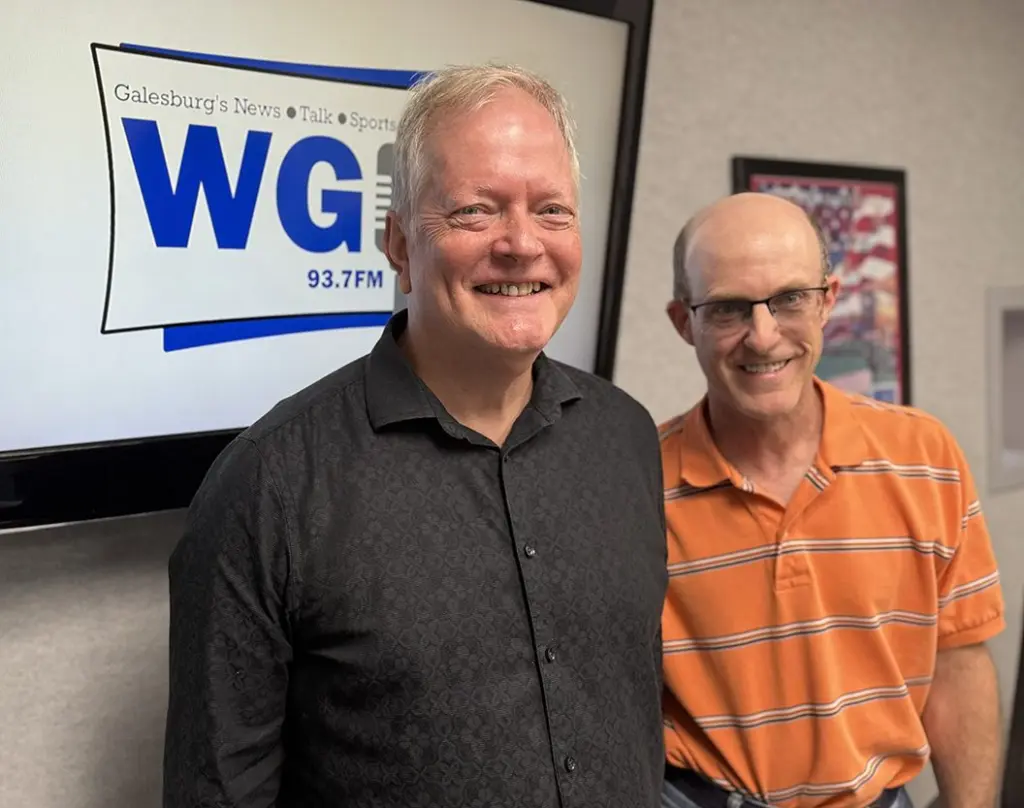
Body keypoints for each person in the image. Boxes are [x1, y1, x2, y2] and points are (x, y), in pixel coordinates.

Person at [162, 63, 668, 808]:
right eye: (476, 211)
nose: (522, 243)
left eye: (552, 210)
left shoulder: (626, 437)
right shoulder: (269, 485)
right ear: (398, 244)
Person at [657, 192, 1004, 808]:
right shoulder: (636, 479)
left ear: (828, 300)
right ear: (685, 323)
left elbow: (958, 659)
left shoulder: (925, 455)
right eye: (729, 309)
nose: (763, 337)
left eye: (790, 298)